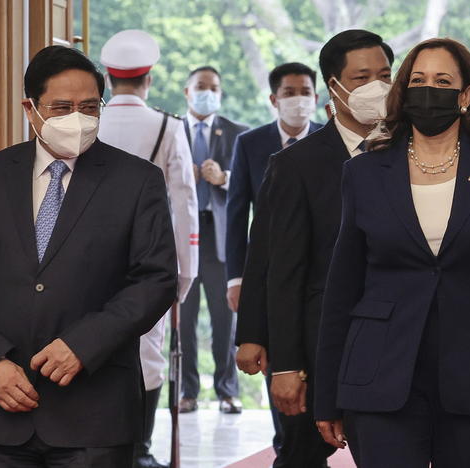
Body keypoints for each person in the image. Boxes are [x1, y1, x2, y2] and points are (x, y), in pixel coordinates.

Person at [314, 38, 470, 468]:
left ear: (466, 96)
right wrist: (327, 395)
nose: (428, 90)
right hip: (380, 372)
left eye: (442, 81)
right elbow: (342, 288)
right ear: (402, 92)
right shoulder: (364, 171)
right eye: (418, 80)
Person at [0, 45, 177, 468]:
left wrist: (84, 344)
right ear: (31, 109)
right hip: (1, 412)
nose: (77, 119)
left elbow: (155, 281)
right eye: (62, 107)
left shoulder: (137, 180)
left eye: (89, 107)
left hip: (95, 415)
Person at [241, 29, 394, 467]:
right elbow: (276, 265)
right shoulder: (296, 165)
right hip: (317, 342)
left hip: (394, 342)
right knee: (302, 456)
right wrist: (284, 363)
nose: (377, 87)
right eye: (362, 77)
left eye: (385, 74)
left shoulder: (413, 153)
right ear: (335, 86)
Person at [98, 29, 199, 468]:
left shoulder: (90, 120)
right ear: (149, 79)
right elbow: (185, 205)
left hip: (86, 257)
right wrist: (184, 272)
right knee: (147, 351)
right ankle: (139, 448)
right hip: (146, 260)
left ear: (107, 76)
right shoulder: (167, 126)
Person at [229, 61, 322, 455]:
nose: (297, 100)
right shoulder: (250, 144)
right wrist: (236, 278)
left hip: (317, 274)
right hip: (268, 276)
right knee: (281, 368)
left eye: (304, 92)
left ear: (316, 98)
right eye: (289, 93)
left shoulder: (329, 142)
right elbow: (237, 216)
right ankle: (287, 438)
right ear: (273, 99)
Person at [180, 66, 248, 414]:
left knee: (226, 319)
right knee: (183, 319)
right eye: (201, 87)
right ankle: (186, 392)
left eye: (214, 87)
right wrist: (181, 177)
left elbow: (255, 183)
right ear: (187, 92)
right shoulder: (172, 131)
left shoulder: (238, 133)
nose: (208, 92)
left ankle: (227, 390)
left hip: (221, 235)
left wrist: (224, 177)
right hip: (182, 237)